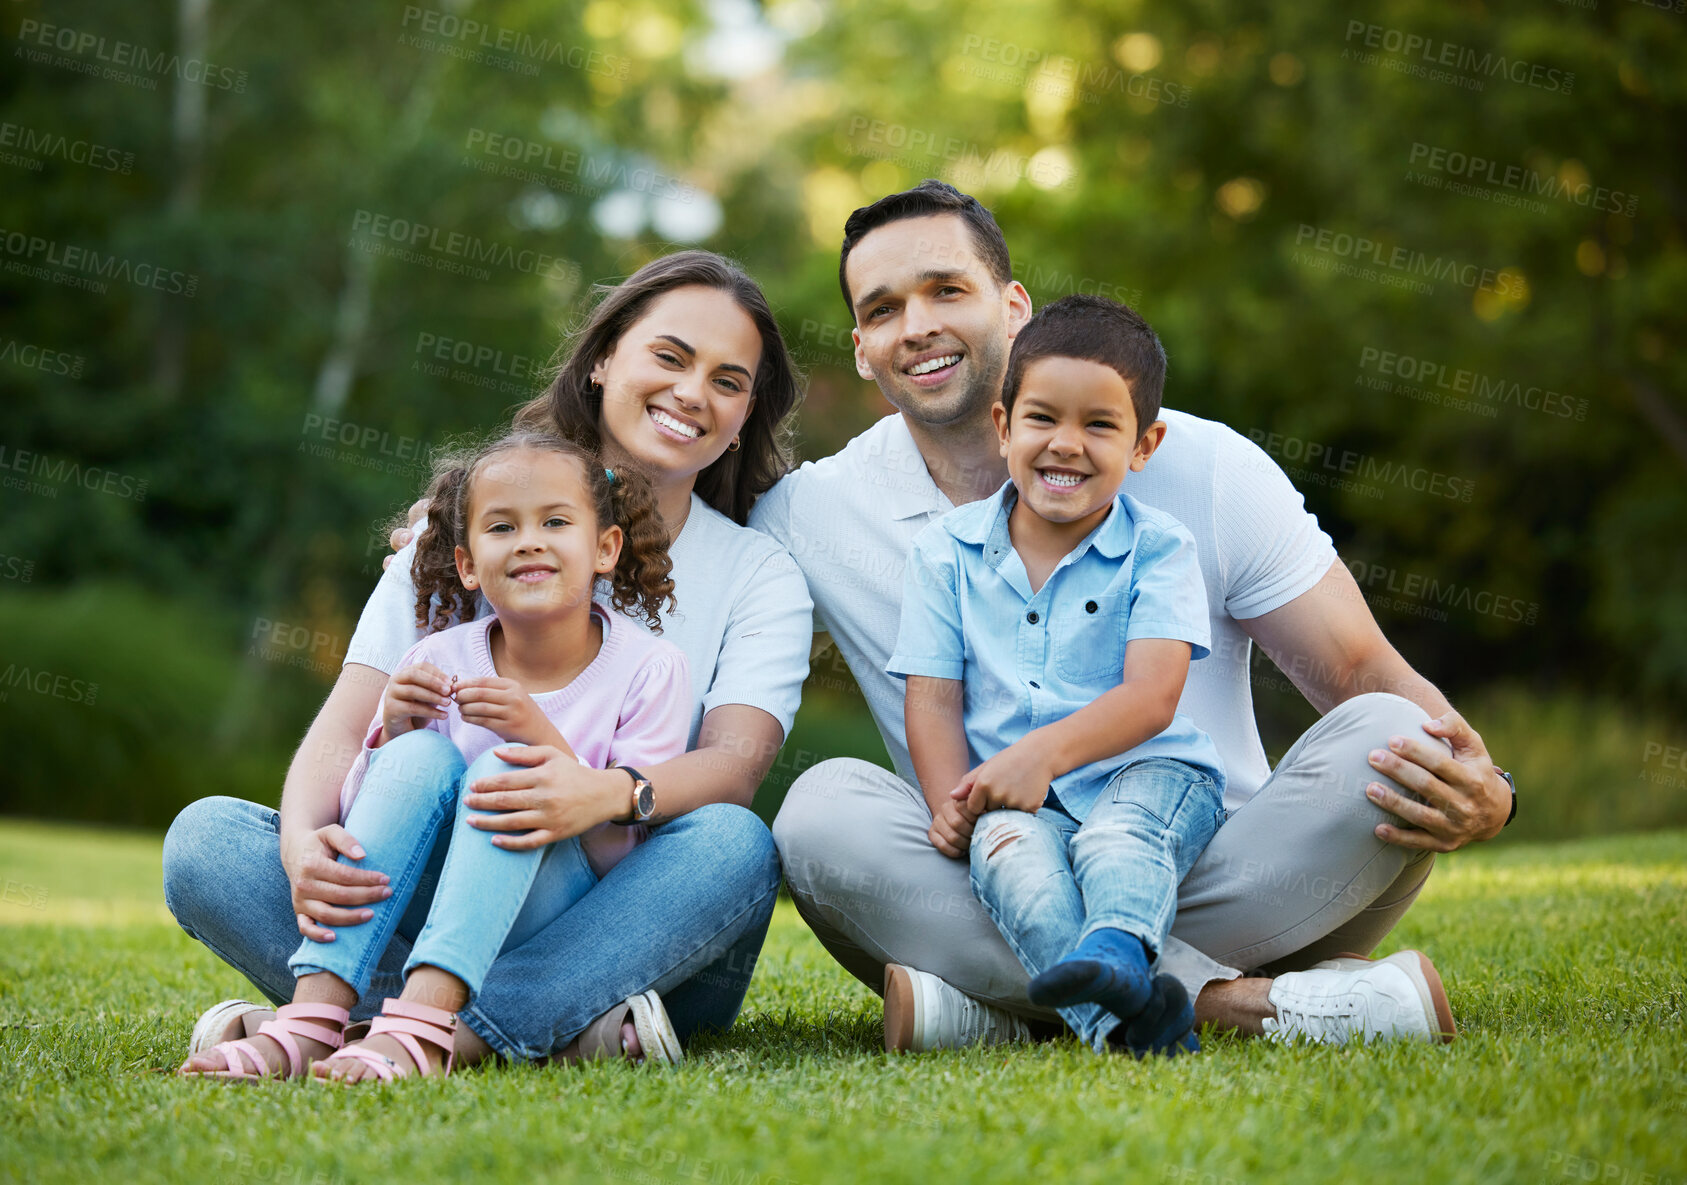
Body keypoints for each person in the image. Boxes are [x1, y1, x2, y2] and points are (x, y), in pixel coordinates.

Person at [760, 181, 1498, 1053]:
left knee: (1392, 728)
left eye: (944, 290)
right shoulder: (816, 513)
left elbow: (1354, 669)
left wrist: (1492, 791)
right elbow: (679, 581)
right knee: (817, 813)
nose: (915, 324)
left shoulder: (1202, 465)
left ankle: (996, 1005)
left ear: (1013, 305)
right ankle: (1247, 1007)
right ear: (859, 348)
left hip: (1224, 869)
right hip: (997, 870)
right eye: (883, 308)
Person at [166, 251, 813, 1071]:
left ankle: (384, 1025)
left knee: (732, 843)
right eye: (670, 356)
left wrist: (602, 792)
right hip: (428, 880)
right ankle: (512, 1028)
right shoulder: (457, 538)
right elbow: (345, 729)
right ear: (605, 357)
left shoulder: (759, 572)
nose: (692, 393)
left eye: (728, 379)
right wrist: (302, 845)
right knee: (206, 840)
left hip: (618, 916)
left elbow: (733, 765)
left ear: (746, 409)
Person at [185, 432, 692, 1081]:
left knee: (511, 770)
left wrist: (538, 736)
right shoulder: (436, 658)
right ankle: (314, 1017)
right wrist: (395, 730)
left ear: (605, 547)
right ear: (468, 564)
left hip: (558, 918)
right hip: (434, 907)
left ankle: (420, 1028)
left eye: (555, 522)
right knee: (419, 752)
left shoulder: (650, 668)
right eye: (502, 526)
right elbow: (376, 825)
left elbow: (619, 846)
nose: (530, 540)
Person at [892, 295, 1226, 1058]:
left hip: (1150, 774)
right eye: (1042, 418)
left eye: (1099, 426)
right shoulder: (946, 552)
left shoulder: (1159, 548)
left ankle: (1114, 950)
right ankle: (1134, 1024)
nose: (1065, 445)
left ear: (1144, 445)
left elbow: (1152, 696)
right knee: (1012, 860)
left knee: (1116, 840)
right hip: (1017, 799)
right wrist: (957, 803)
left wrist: (1038, 756)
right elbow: (934, 700)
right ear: (1004, 426)